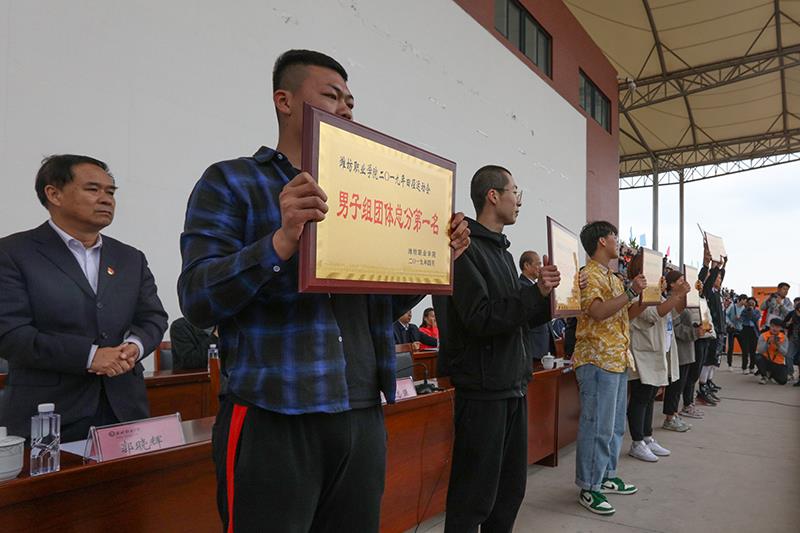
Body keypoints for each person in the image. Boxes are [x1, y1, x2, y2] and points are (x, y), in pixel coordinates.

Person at [178, 49, 470, 532]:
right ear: (284, 101)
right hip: (275, 410)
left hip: (362, 410)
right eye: (332, 96)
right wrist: (280, 242)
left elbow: (378, 311)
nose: (346, 109)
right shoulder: (232, 181)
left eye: (351, 101)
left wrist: (435, 261)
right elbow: (196, 298)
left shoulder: (365, 196)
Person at [0, 154, 168, 440]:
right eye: (93, 189)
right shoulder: (13, 253)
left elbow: (153, 317)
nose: (106, 199)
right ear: (54, 194)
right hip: (49, 417)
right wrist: (89, 356)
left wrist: (135, 346)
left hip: (124, 410)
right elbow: (10, 334)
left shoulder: (130, 258)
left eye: (110, 192)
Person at [433, 165, 559, 532]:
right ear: (493, 195)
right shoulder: (465, 249)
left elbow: (516, 317)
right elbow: (481, 317)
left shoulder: (502, 253)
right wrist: (533, 295)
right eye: (514, 191)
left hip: (513, 385)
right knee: (473, 498)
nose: (518, 200)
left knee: (509, 493)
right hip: (483, 391)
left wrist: (545, 297)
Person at [572, 221, 646, 516]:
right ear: (602, 241)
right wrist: (630, 291)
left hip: (616, 359)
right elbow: (598, 311)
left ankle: (605, 475)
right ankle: (589, 486)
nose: (618, 241)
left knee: (614, 425)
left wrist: (644, 298)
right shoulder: (589, 274)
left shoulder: (613, 278)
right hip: (596, 360)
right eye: (614, 236)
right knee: (596, 425)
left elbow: (625, 315)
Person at [627, 271, 689, 463]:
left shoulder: (658, 295)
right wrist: (676, 294)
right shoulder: (639, 295)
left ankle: (647, 437)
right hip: (643, 353)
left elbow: (675, 311)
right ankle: (637, 442)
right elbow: (654, 313)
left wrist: (683, 294)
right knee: (640, 397)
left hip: (657, 352)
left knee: (650, 396)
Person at [519, 250, 552, 359]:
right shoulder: (521, 287)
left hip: (543, 346)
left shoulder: (540, 287)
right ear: (527, 265)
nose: (540, 268)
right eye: (538, 264)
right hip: (533, 347)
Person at [755, 319, 789, 385]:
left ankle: (771, 374)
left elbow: (785, 353)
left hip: (778, 363)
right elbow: (760, 351)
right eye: (773, 326)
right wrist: (767, 343)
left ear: (781, 328)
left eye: (777, 327)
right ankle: (764, 376)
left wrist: (778, 345)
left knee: (783, 381)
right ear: (769, 326)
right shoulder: (763, 335)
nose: (775, 329)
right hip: (766, 361)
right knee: (757, 357)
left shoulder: (784, 337)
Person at [738, 297, 761, 374]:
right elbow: (741, 319)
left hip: (754, 331)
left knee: (753, 351)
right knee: (745, 350)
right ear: (747, 304)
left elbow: (755, 318)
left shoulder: (757, 311)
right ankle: (744, 367)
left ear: (755, 304)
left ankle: (752, 367)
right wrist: (747, 311)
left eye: (752, 303)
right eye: (749, 303)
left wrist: (751, 311)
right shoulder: (744, 310)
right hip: (745, 330)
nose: (751, 304)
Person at [784, 302, 800, 386]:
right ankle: (790, 373)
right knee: (788, 356)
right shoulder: (791, 314)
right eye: (798, 311)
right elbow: (784, 324)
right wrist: (788, 323)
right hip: (793, 339)